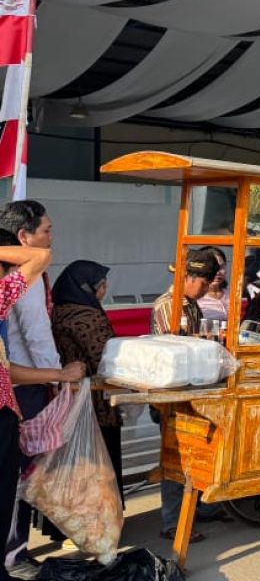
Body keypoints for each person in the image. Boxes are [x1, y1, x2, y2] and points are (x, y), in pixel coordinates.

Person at [0, 234, 85, 581]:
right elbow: (39, 256)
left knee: (5, 501)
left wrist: (58, 374)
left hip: (5, 414)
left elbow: (39, 257)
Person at [0, 201, 60, 576]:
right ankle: (11, 555)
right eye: (46, 229)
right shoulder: (7, 291)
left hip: (9, 399)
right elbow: (41, 260)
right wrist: (58, 378)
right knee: (11, 488)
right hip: (12, 399)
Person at [150, 249, 221, 543]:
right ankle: (172, 521)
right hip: (169, 393)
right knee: (176, 457)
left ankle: (194, 506)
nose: (206, 290)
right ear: (189, 277)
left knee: (196, 453)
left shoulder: (191, 304)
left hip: (189, 390)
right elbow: (175, 347)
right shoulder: (169, 305)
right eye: (203, 284)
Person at [49, 262, 125, 501]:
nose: (105, 290)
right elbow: (106, 357)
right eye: (102, 285)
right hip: (93, 403)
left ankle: (71, 527)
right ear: (91, 288)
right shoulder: (88, 317)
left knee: (74, 465)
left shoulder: (60, 310)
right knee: (98, 464)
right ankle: (98, 525)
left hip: (66, 399)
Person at [196, 247, 229, 325]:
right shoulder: (194, 297)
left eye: (221, 267)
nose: (217, 272)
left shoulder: (234, 293)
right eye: (212, 267)